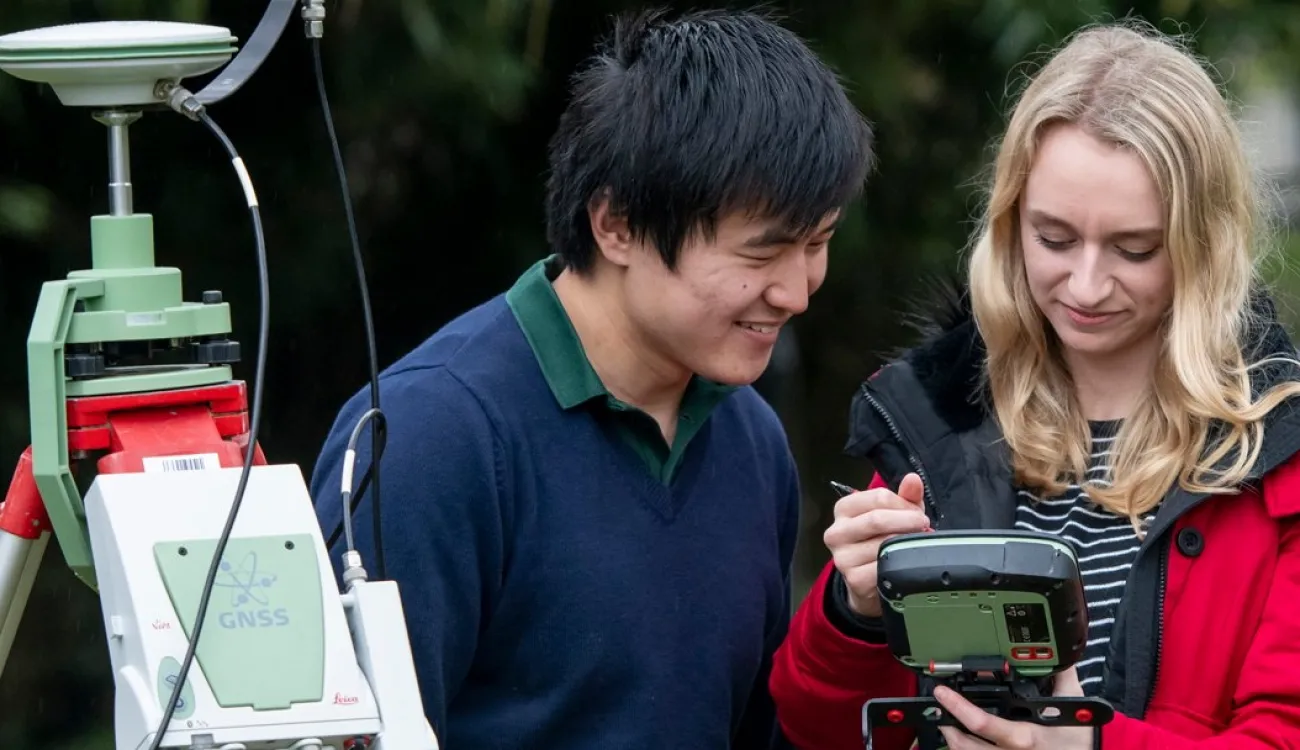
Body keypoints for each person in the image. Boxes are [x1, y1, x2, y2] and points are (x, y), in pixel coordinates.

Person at [309, 7, 873, 748]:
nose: (797, 291)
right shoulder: (429, 440)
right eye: (762, 254)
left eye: (818, 243)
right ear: (617, 226)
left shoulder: (750, 440)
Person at [767, 20, 1300, 750]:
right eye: (1052, 238)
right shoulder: (931, 413)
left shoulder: (1279, 451)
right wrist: (854, 609)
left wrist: (1093, 746)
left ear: (1201, 246)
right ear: (1009, 220)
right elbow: (812, 725)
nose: (1085, 284)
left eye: (1133, 249)